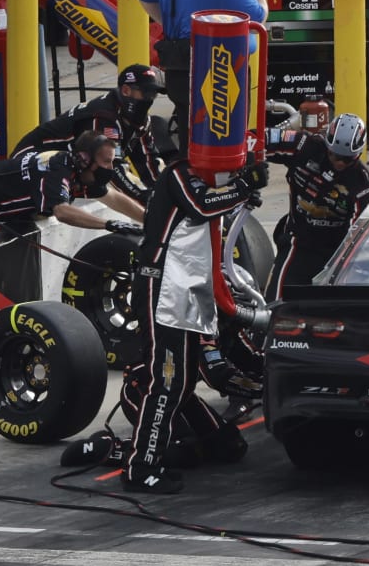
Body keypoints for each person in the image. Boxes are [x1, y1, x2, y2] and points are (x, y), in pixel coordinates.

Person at [122, 155, 270, 493]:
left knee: (182, 382)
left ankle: (151, 456)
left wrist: (240, 192)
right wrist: (242, 187)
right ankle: (140, 466)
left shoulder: (209, 183)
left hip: (186, 288)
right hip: (161, 286)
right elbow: (201, 206)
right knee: (168, 380)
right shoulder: (178, 174)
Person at [136, 0, 269, 156]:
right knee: (222, 144)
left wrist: (173, 24)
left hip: (176, 62)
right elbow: (259, 17)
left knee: (190, 138)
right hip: (220, 69)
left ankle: (189, 188)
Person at [11, 64, 171, 205]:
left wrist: (169, 191)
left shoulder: (140, 120)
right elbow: (112, 168)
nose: (151, 99)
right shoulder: (104, 116)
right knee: (105, 183)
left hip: (64, 170)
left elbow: (149, 160)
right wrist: (144, 197)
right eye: (147, 93)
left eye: (154, 94)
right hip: (28, 164)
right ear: (126, 90)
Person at [266, 112, 369, 299]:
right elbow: (260, 140)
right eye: (334, 155)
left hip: (336, 253)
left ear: (358, 154)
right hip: (298, 241)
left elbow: (361, 239)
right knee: (274, 302)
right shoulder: (305, 145)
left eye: (347, 159)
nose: (339, 162)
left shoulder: (366, 187)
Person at [0, 129, 145, 235]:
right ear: (85, 159)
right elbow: (62, 212)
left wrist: (149, 221)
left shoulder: (82, 171)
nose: (110, 169)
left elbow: (113, 198)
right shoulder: (55, 168)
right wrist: (109, 224)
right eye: (106, 162)